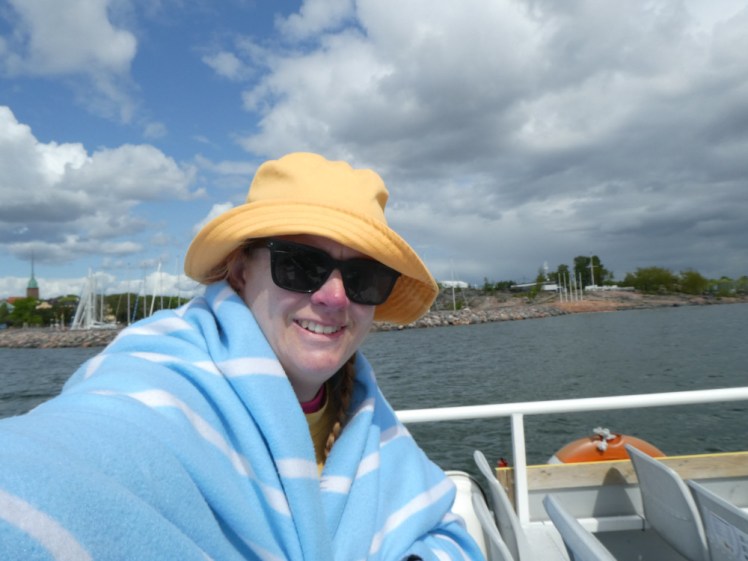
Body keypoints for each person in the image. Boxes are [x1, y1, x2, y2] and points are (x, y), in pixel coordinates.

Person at [0, 153, 484, 560]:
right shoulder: (161, 382)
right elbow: (66, 459)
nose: (335, 298)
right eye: (300, 264)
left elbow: (439, 529)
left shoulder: (364, 410)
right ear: (238, 272)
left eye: (364, 278)